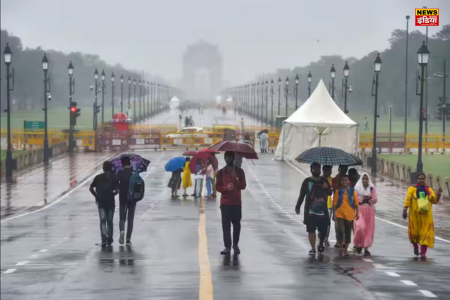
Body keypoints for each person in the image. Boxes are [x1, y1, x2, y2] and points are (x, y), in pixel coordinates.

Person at [295, 163, 332, 255]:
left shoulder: (324, 181)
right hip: (310, 210)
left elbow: (330, 193)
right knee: (311, 230)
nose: (316, 170)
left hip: (322, 210)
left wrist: (327, 188)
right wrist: (298, 206)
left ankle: (320, 244)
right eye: (314, 168)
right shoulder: (307, 181)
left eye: (318, 168)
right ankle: (312, 248)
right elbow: (302, 195)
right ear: (311, 170)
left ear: (320, 170)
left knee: (323, 229)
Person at [403, 173, 442, 259]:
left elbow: (434, 201)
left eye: (423, 179)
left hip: (426, 216)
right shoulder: (412, 189)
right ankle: (416, 247)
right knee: (414, 233)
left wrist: (438, 194)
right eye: (419, 179)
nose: (421, 180)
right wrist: (404, 210)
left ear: (425, 180)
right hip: (414, 216)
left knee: (425, 234)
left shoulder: (429, 190)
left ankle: (423, 253)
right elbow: (407, 200)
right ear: (417, 180)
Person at [216, 151, 247, 255]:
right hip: (225, 203)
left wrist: (236, 180)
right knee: (226, 226)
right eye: (226, 157)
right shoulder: (220, 172)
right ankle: (227, 247)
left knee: (237, 225)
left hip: (236, 203)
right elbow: (218, 187)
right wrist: (226, 188)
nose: (228, 158)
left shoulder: (240, 172)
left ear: (233, 158)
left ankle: (235, 245)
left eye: (230, 157)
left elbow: (243, 186)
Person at [89, 161, 118, 247]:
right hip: (110, 202)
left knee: (102, 220)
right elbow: (117, 190)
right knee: (110, 221)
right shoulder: (114, 177)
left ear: (103, 168)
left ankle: (104, 239)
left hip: (101, 202)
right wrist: (112, 194)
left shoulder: (98, 177)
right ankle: (110, 238)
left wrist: (96, 196)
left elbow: (91, 188)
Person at [333, 175, 359, 256]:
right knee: (340, 230)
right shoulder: (338, 191)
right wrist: (334, 213)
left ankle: (346, 250)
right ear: (341, 182)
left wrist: (357, 213)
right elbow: (334, 204)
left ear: (349, 182)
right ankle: (341, 246)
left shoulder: (352, 191)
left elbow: (356, 203)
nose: (345, 182)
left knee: (348, 232)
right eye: (343, 180)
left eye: (346, 180)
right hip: (340, 214)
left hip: (350, 214)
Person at [353, 173, 377, 256]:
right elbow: (356, 198)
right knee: (360, 227)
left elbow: (374, 199)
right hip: (360, 209)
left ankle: (366, 247)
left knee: (368, 229)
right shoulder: (357, 188)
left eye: (366, 178)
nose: (365, 180)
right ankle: (358, 244)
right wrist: (363, 199)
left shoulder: (371, 187)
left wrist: (367, 200)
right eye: (363, 178)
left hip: (369, 211)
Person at [116, 157, 136, 245]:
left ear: (123, 164)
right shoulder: (134, 173)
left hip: (123, 197)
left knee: (122, 217)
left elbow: (116, 185)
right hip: (133, 198)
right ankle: (128, 239)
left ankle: (122, 231)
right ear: (130, 163)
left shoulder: (120, 173)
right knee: (130, 218)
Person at [322, 165, 333, 248]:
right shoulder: (320, 179)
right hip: (320, 204)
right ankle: (321, 236)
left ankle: (325, 238)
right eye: (329, 170)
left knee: (327, 222)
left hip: (329, 204)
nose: (331, 172)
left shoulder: (332, 180)